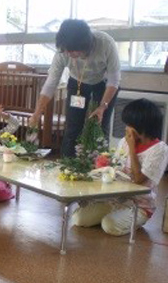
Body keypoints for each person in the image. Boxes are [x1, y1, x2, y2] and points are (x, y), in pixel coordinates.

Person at [72, 99, 168, 236]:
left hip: (139, 205)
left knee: (109, 225)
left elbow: (138, 180)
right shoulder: (124, 141)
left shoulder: (160, 149)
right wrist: (104, 166)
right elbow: (116, 169)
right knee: (78, 219)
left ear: (141, 126)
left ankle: (132, 219)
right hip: (114, 201)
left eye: (129, 124)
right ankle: (113, 213)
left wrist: (132, 148)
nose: (126, 128)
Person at [28, 19, 121, 157]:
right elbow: (50, 83)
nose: (70, 54)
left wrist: (102, 106)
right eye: (67, 50)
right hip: (77, 83)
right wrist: (37, 113)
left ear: (85, 44)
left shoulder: (106, 43)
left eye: (74, 51)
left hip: (103, 84)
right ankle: (67, 166)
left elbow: (114, 79)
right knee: (72, 127)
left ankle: (100, 167)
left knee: (100, 127)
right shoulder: (62, 53)